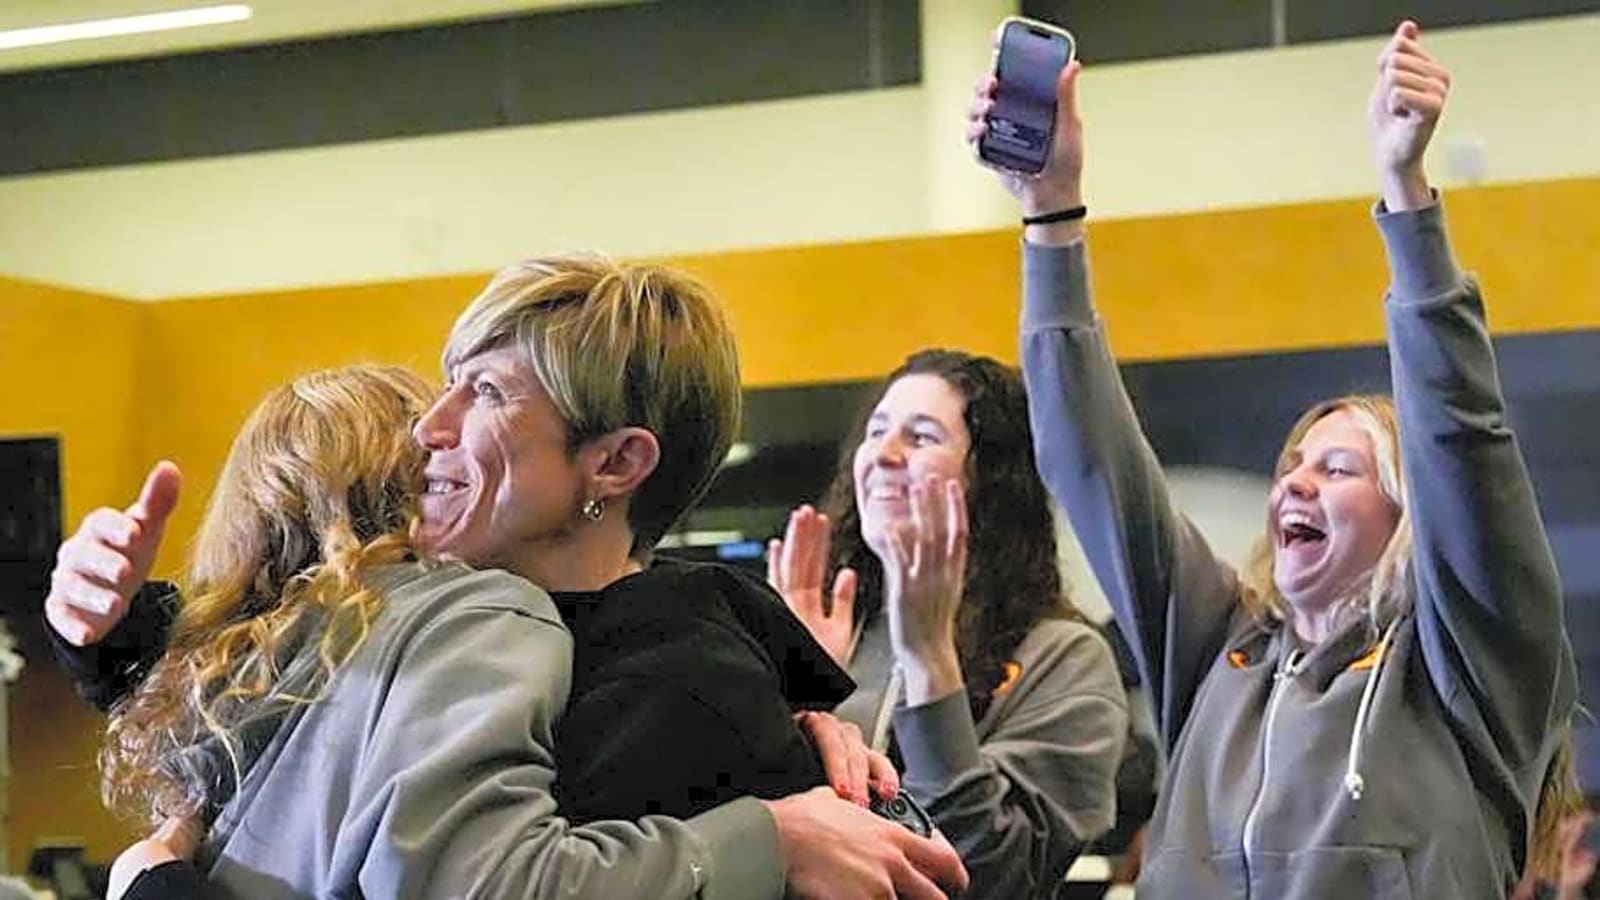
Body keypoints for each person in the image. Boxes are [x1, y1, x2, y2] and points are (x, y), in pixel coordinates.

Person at [45, 257, 968, 900]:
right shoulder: (438, 608)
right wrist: (99, 614)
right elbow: (251, 673)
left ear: (613, 465)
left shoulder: (668, 679)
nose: (426, 426)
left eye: (483, 393)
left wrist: (154, 885)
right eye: (448, 382)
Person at [973, 19, 1579, 899]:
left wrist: (1406, 195)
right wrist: (1049, 211)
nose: (1295, 479)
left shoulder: (1472, 662)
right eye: (1296, 462)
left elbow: (1462, 439)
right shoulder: (1219, 645)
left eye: (1339, 468)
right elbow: (1093, 464)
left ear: (1414, 517)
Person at [770, 348, 1129, 899]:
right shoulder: (830, 622)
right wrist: (784, 698)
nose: (884, 454)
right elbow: (760, 837)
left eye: (921, 437)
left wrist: (929, 659)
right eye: (877, 430)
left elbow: (988, 875)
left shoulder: (1064, 658)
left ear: (988, 482)